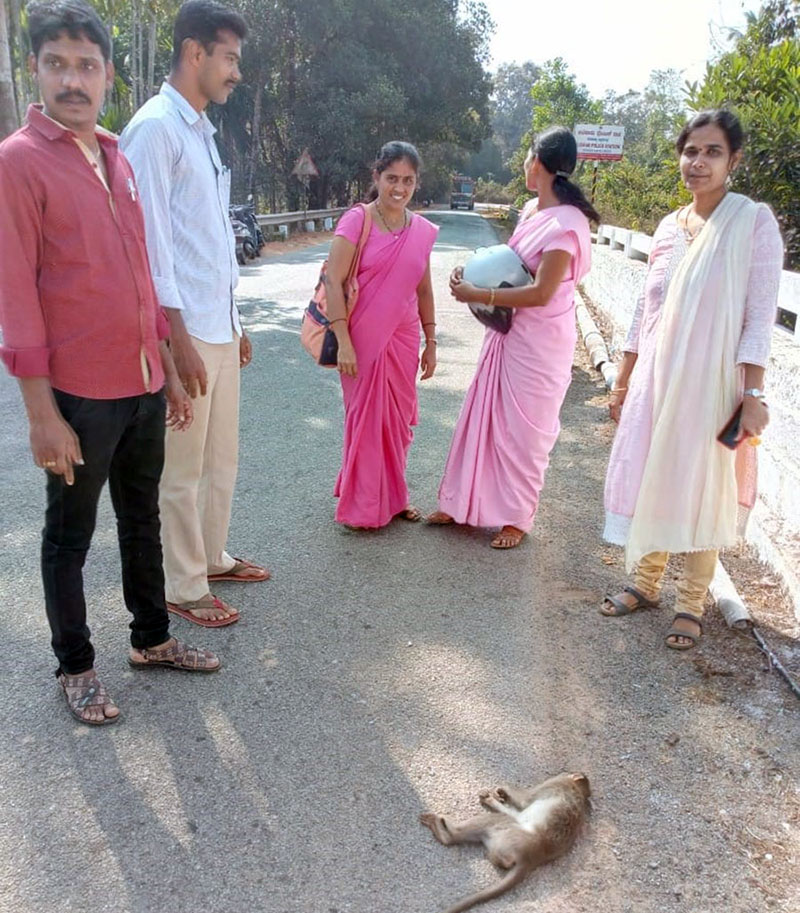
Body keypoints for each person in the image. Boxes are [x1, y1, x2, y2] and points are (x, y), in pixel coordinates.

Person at [0, 0, 220, 726]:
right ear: (35, 69)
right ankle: (76, 665)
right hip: (77, 394)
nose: (72, 79)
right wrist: (40, 413)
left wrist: (162, 361)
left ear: (108, 74)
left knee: (141, 518)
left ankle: (152, 638)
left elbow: (139, 269)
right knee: (68, 535)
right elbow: (17, 297)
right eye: (57, 64)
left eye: (86, 65)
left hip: (140, 382)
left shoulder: (117, 155)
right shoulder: (19, 163)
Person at [601, 109, 783, 650]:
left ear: (734, 160)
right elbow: (644, 311)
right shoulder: (667, 226)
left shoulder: (752, 222)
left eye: (712, 152)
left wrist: (752, 396)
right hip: (657, 379)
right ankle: (647, 583)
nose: (698, 162)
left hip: (714, 384)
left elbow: (758, 318)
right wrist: (624, 378)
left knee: (705, 485)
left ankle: (691, 602)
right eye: (691, 151)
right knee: (656, 472)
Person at [121, 0, 268, 629]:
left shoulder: (200, 132)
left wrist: (235, 323)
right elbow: (151, 249)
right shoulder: (154, 129)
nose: (236, 72)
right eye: (229, 58)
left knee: (220, 458)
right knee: (179, 470)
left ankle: (210, 555)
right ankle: (182, 584)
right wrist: (174, 342)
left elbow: (205, 242)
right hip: (181, 332)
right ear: (194, 53)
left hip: (216, 324)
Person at [428, 127, 596, 548]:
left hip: (540, 344)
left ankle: (516, 518)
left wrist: (479, 294)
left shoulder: (568, 225)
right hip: (508, 331)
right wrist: (470, 276)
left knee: (524, 433)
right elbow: (512, 266)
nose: (524, 165)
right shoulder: (531, 210)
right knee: (483, 420)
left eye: (526, 157)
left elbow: (541, 292)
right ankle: (461, 503)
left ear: (537, 163)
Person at [324, 141, 439, 528]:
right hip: (360, 339)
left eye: (408, 180)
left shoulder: (420, 230)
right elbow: (333, 280)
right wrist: (342, 341)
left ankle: (394, 496)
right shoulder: (357, 220)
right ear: (376, 177)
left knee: (396, 422)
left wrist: (431, 341)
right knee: (365, 420)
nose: (399, 188)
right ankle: (363, 504)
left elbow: (423, 290)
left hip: (404, 339)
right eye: (392, 178)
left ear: (416, 183)